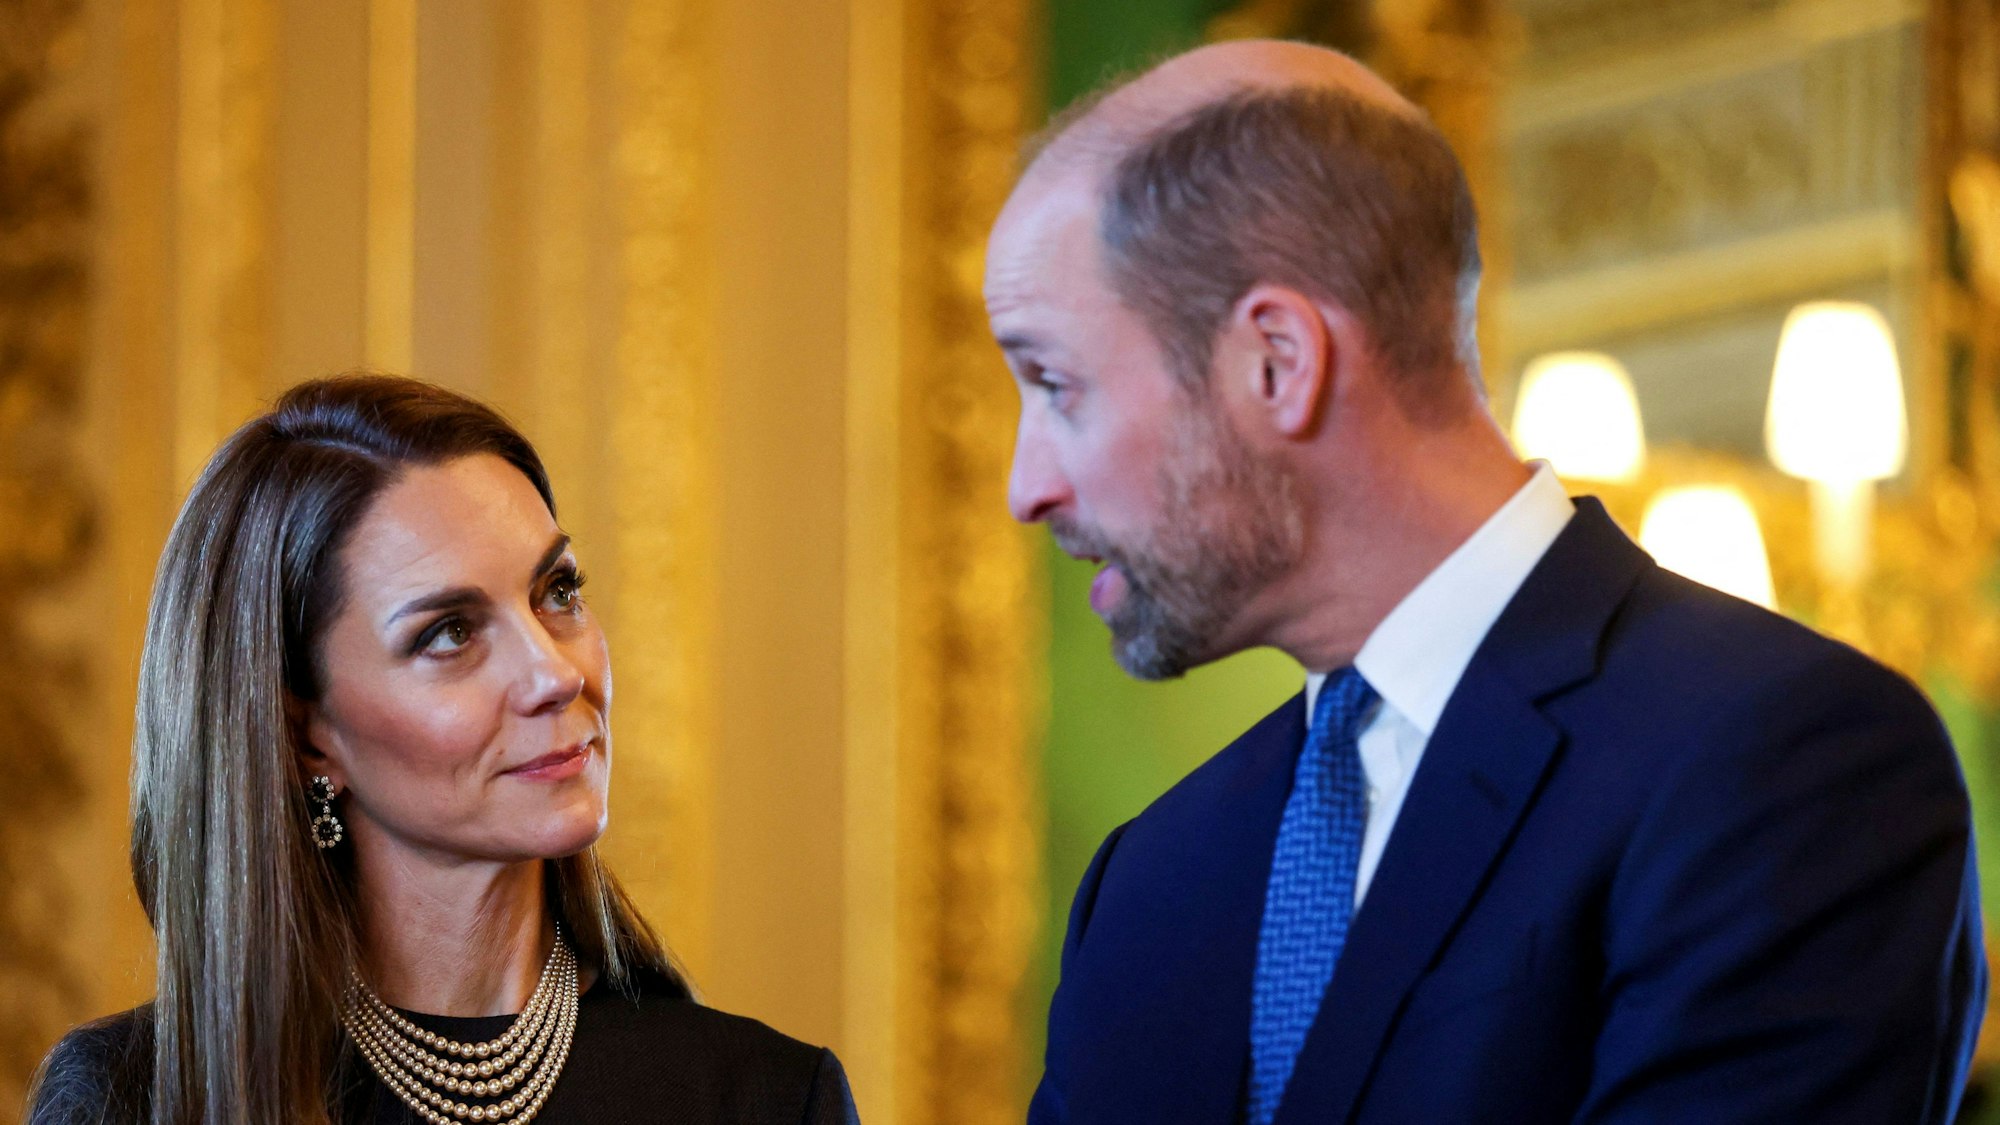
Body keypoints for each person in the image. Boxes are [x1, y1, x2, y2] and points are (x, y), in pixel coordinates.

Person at [990, 39, 1987, 1125]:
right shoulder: (1151, 879)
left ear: (1275, 361)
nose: (1025, 486)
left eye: (1053, 384)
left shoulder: (1785, 765)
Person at [27, 374, 857, 1125]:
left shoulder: (766, 1097)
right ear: (305, 734)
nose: (553, 672)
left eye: (557, 592)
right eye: (450, 632)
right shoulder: (130, 1098)